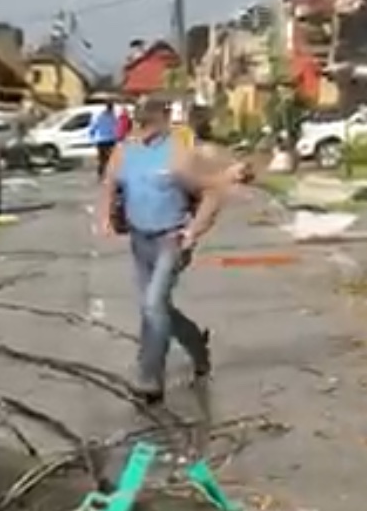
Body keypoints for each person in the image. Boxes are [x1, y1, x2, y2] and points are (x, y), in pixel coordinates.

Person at [100, 95, 248, 404]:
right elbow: (109, 184)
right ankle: (197, 345)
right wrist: (105, 217)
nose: (144, 129)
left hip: (171, 238)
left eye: (151, 122)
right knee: (154, 307)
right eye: (142, 122)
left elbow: (212, 191)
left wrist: (193, 231)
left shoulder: (178, 156)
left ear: (163, 120)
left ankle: (150, 377)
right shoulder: (123, 152)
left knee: (153, 305)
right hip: (140, 240)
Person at [88, 101, 119, 179]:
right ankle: (110, 174)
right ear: (111, 108)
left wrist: (92, 137)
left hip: (101, 140)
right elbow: (116, 127)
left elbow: (93, 127)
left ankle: (101, 174)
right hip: (111, 140)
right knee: (111, 158)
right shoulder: (113, 117)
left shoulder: (99, 116)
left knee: (102, 158)